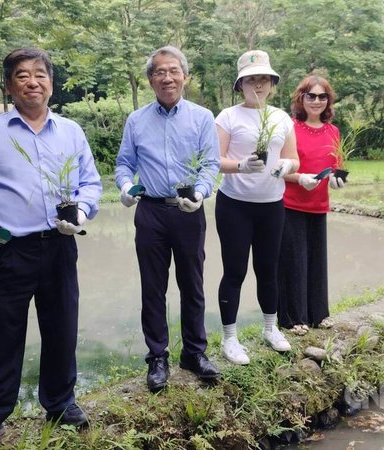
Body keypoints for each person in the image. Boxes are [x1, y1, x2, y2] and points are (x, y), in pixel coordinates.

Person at [0, 48, 102, 449]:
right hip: (8, 250)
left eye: (40, 74)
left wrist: (84, 211)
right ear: (8, 86)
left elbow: (90, 183)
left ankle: (60, 403)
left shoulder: (71, 131)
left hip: (59, 245)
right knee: (1, 333)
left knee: (61, 328)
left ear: (51, 84)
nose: (32, 82)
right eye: (22, 75)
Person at [115, 45, 221, 392]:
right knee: (153, 287)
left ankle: (194, 352)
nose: (167, 77)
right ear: (150, 80)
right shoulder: (136, 120)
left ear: (185, 77)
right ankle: (157, 356)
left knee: (192, 283)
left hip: (188, 211)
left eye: (173, 70)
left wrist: (201, 192)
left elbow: (210, 163)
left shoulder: (202, 117)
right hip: (150, 212)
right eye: (159, 72)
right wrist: (127, 186)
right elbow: (124, 164)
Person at [213, 50, 300, 365]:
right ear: (241, 84)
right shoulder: (228, 117)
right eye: (251, 79)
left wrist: (287, 165)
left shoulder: (281, 118)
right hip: (234, 206)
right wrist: (240, 165)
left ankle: (270, 328)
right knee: (234, 271)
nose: (258, 85)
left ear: (272, 83)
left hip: (271, 206)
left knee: (267, 270)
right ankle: (230, 338)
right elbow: (215, 160)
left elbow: (294, 158)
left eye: (263, 79)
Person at [277, 74, 345, 336]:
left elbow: (336, 166)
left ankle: (319, 314)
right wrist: (299, 178)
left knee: (317, 260)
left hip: (319, 203)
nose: (316, 101)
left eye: (322, 96)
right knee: (294, 260)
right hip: (291, 203)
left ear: (328, 101)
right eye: (311, 96)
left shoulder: (333, 131)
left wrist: (337, 180)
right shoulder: (289, 128)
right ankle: (293, 318)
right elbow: (278, 169)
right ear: (301, 98)